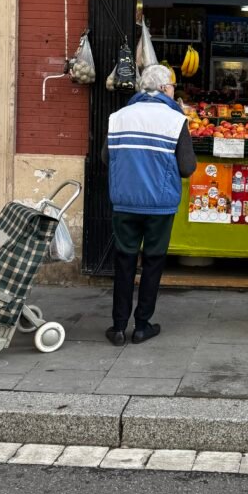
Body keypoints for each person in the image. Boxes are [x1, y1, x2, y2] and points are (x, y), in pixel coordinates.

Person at [103, 64, 196, 346]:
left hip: (124, 202)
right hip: (160, 205)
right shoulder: (174, 120)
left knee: (124, 262)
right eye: (171, 87)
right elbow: (187, 166)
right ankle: (142, 326)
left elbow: (106, 158)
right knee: (153, 262)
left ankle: (118, 327)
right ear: (165, 89)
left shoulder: (118, 117)